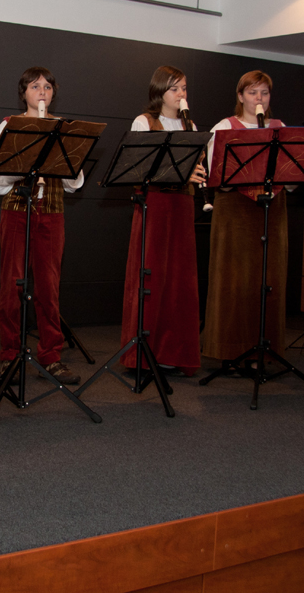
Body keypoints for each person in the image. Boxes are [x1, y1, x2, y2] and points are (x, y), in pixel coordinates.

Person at [0, 67, 83, 385]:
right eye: (34, 86)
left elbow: (74, 183)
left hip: (52, 213)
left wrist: (62, 157)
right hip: (17, 211)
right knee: (11, 289)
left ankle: (51, 356)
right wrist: (26, 163)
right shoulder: (9, 126)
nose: (42, 91)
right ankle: (10, 356)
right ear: (23, 92)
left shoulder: (64, 128)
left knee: (48, 289)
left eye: (48, 87)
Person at [118, 66, 204, 376]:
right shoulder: (144, 122)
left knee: (180, 280)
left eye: (184, 88)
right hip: (154, 204)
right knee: (151, 276)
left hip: (182, 204)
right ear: (159, 92)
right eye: (174, 88)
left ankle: (174, 352)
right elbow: (139, 169)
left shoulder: (191, 125)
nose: (181, 94)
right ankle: (142, 354)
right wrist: (180, 171)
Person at [202, 70, 288, 364]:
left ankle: (266, 347)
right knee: (235, 280)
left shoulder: (279, 128)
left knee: (268, 278)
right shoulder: (225, 126)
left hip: (271, 210)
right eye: (252, 93)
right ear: (240, 96)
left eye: (264, 93)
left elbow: (291, 177)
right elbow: (217, 176)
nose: (259, 98)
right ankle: (230, 349)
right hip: (235, 211)